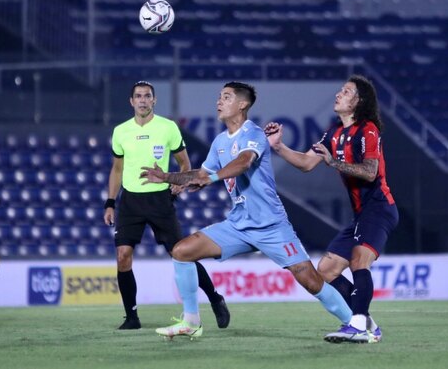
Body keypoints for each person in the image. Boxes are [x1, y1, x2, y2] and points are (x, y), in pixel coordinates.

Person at [140, 81, 352, 340]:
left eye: (226, 97)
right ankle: (191, 321)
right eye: (219, 96)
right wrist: (167, 177)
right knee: (182, 251)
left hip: (271, 226)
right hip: (238, 225)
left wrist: (212, 178)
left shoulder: (253, 134)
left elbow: (243, 162)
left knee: (310, 280)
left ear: (242, 105)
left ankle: (354, 323)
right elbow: (200, 174)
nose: (219, 101)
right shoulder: (219, 141)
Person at [264, 75, 399, 343]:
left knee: (360, 260)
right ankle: (367, 322)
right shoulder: (334, 133)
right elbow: (305, 163)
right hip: (361, 215)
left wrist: (334, 162)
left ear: (358, 101)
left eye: (346, 91)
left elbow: (370, 173)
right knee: (325, 271)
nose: (338, 94)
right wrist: (278, 146)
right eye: (340, 89)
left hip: (380, 208)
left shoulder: (367, 129)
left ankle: (357, 324)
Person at [103, 80, 229, 330]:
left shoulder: (168, 128)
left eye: (147, 96)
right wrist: (110, 202)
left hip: (160, 200)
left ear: (154, 100)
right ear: (131, 101)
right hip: (130, 201)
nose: (142, 100)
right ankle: (132, 317)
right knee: (122, 256)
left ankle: (215, 298)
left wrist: (180, 182)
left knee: (182, 253)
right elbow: (117, 169)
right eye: (138, 96)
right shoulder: (120, 131)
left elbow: (184, 163)